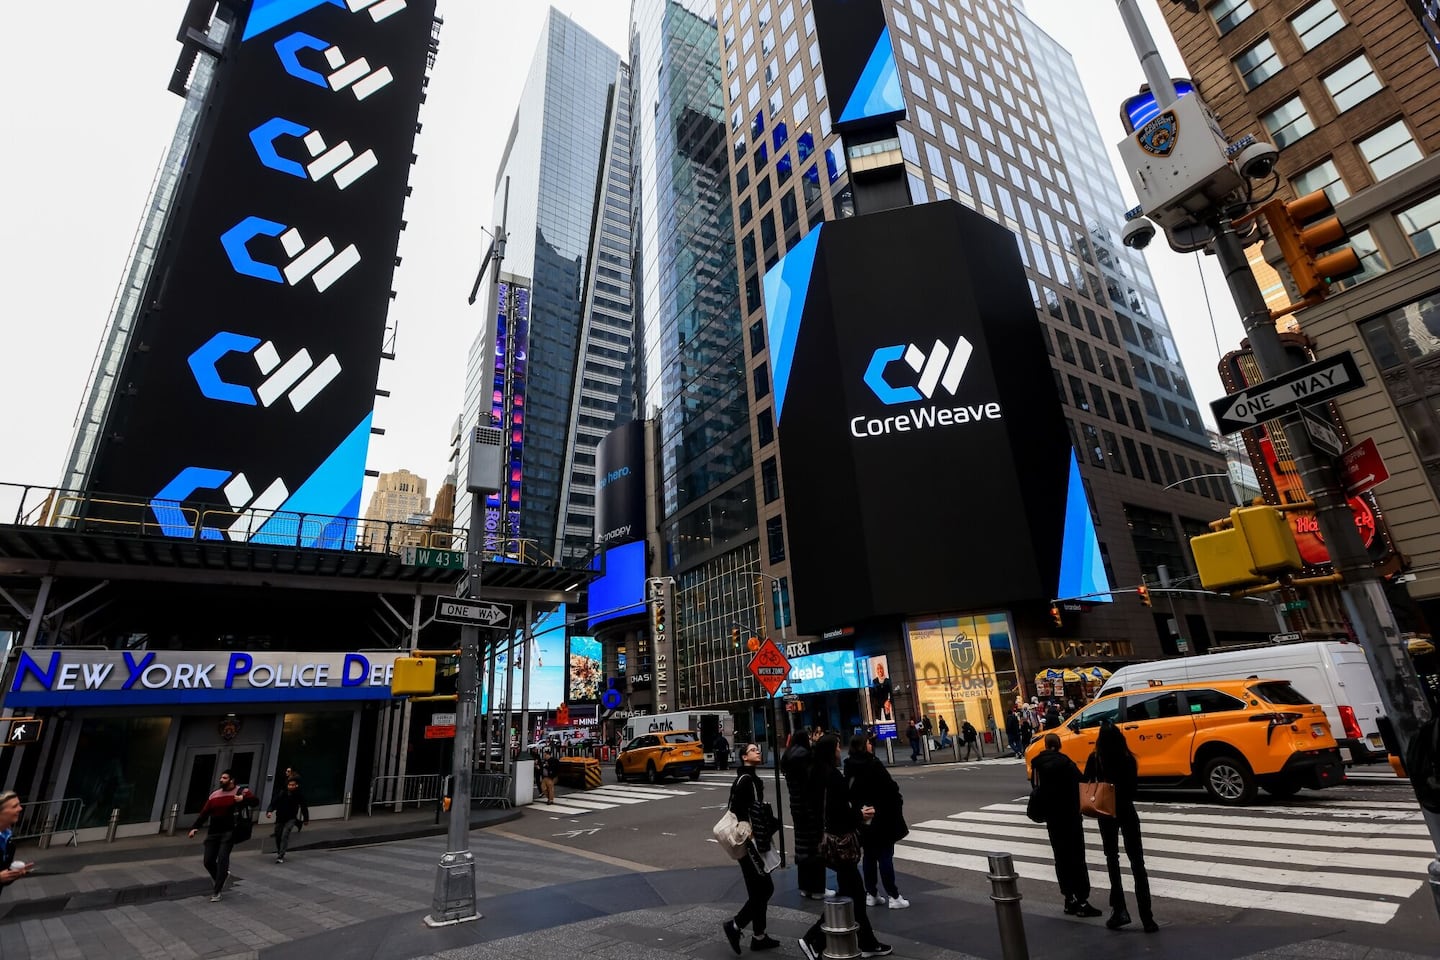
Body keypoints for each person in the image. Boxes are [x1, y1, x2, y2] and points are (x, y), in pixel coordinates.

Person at [799, 735, 891, 960]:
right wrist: (860, 815)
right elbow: (838, 813)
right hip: (840, 844)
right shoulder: (831, 776)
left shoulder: (817, 774)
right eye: (838, 747)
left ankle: (867, 942)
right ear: (831, 751)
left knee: (852, 894)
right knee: (854, 894)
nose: (840, 751)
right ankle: (814, 938)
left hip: (831, 843)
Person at [1085, 723, 1157, 933]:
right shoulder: (1128, 759)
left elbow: (1086, 781)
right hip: (1127, 809)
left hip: (1106, 811)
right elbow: (1134, 789)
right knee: (1137, 862)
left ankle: (1120, 910)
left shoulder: (1095, 758)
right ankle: (1147, 917)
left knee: (1112, 859)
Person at [1030, 734, 1101, 918]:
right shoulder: (1066, 763)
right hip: (1070, 816)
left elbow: (1036, 789)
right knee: (1077, 858)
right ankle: (1082, 900)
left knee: (1060, 858)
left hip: (1052, 818)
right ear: (1059, 745)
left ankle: (1069, 899)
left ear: (1046, 745)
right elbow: (1081, 783)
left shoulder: (1037, 765)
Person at [721, 742, 781, 953]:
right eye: (753, 750)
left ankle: (759, 935)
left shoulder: (748, 778)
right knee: (765, 889)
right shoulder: (747, 780)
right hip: (749, 842)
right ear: (744, 757)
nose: (758, 752)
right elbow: (738, 809)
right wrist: (756, 825)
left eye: (757, 749)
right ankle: (735, 925)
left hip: (750, 841)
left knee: (758, 890)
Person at [844, 734, 909, 910]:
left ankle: (871, 893)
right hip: (882, 816)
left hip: (863, 818)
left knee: (869, 856)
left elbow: (848, 792)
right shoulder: (873, 764)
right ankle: (893, 895)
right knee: (885, 856)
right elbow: (891, 789)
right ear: (863, 746)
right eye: (868, 743)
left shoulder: (849, 765)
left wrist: (859, 809)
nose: (870, 745)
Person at [187, 770, 259, 902]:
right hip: (213, 832)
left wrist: (243, 799)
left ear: (232, 780)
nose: (221, 780)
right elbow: (205, 813)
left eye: (224, 778)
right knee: (208, 861)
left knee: (222, 858)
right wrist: (195, 827)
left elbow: (255, 802)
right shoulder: (214, 795)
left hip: (230, 831)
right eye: (221, 777)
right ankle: (222, 876)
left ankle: (217, 891)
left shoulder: (242, 792)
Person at [782, 729, 832, 900]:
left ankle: (804, 886)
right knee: (816, 848)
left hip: (797, 808)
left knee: (802, 848)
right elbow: (815, 783)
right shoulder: (806, 758)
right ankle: (818, 888)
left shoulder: (788, 758)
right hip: (810, 808)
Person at [265, 777, 308, 864]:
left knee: (285, 834)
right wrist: (269, 811)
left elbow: (304, 807)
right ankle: (280, 851)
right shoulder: (282, 793)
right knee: (278, 835)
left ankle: (281, 855)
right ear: (287, 785)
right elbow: (273, 803)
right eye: (289, 785)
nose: (291, 786)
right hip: (280, 818)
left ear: (296, 785)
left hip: (291, 818)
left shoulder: (298, 795)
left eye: (293, 785)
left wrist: (306, 819)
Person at [0, 790, 35, 894]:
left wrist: (14, 873)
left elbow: (3, 876)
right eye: (15, 806)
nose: (20, 809)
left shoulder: (8, 839)